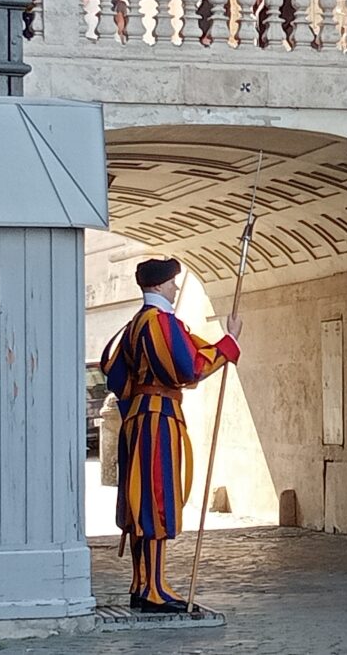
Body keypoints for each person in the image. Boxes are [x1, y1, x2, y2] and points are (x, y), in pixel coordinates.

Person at [100, 258, 242, 613]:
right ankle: (153, 589)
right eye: (172, 284)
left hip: (138, 417)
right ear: (161, 286)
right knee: (155, 500)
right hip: (156, 419)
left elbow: (115, 374)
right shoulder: (160, 322)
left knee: (140, 501)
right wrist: (228, 345)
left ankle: (142, 583)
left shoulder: (132, 325)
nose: (176, 289)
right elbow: (190, 365)